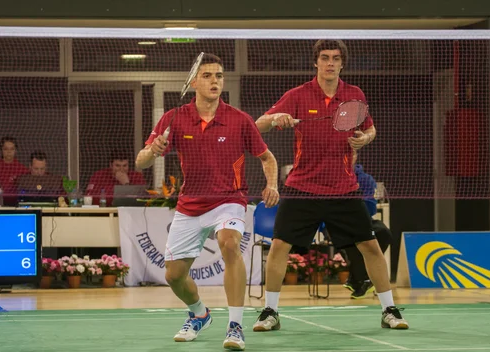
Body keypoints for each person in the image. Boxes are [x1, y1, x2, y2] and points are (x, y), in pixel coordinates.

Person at [252, 39, 408, 331]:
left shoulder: (354, 94)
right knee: (279, 247)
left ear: (342, 63)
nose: (330, 63)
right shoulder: (298, 94)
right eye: (325, 57)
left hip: (343, 188)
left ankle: (389, 309)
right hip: (302, 188)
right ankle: (269, 312)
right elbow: (257, 124)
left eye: (336, 58)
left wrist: (366, 138)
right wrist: (277, 119)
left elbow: (370, 127)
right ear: (316, 62)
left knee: (371, 247)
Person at [136, 53, 279, 351]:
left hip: (230, 198)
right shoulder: (174, 118)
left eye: (219, 76)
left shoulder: (239, 120)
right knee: (174, 275)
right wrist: (154, 149)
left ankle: (235, 325)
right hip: (190, 204)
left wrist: (272, 184)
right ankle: (199, 313)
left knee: (229, 244)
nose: (215, 81)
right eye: (208, 76)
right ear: (194, 81)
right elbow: (141, 162)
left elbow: (267, 157)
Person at [341, 150, 393, 299]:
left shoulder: (365, 180)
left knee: (383, 232)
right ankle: (362, 280)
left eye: (352, 154)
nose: (349, 157)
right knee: (351, 239)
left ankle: (360, 279)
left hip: (360, 220)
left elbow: (370, 208)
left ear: (356, 157)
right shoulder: (330, 177)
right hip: (336, 222)